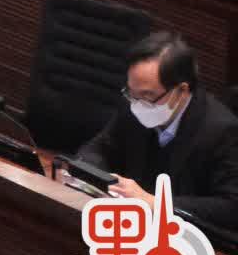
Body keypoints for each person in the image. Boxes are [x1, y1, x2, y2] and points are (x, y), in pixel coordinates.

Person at [76, 33, 238, 232]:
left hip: (185, 237)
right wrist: (96, 178)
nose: (137, 104)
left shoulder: (222, 131)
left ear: (181, 90)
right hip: (130, 225)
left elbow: (231, 207)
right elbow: (99, 148)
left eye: (147, 95)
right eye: (131, 93)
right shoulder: (134, 104)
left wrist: (157, 202)